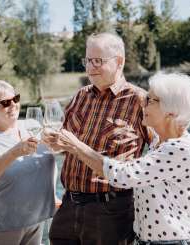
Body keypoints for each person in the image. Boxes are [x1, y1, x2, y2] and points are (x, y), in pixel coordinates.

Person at [44, 72, 190, 245]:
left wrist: (75, 145)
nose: (143, 104)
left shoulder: (181, 149)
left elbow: (123, 175)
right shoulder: (159, 141)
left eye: (150, 100)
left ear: (171, 112)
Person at [45, 32, 149, 245]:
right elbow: (65, 145)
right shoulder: (80, 96)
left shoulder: (140, 100)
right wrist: (55, 144)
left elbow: (160, 151)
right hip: (68, 205)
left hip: (111, 212)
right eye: (88, 60)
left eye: (98, 61)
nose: (90, 67)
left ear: (119, 62)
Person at [0, 80, 56, 245]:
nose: (13, 105)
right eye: (4, 103)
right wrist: (14, 152)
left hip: (38, 218)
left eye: (15, 99)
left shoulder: (34, 126)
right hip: (4, 225)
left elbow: (56, 153)